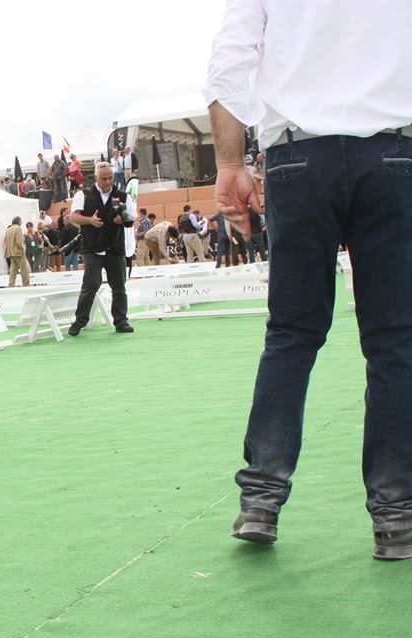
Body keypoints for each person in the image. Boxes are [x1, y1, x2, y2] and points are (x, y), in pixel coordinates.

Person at [206, 0, 412, 559]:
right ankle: (397, 516)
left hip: (298, 156)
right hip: (393, 152)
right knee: (395, 340)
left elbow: (228, 64)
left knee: (292, 334)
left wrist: (230, 164)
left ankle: (261, 500)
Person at [67, 162, 134, 335]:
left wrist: (122, 220)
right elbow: (73, 216)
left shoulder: (123, 196)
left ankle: (121, 321)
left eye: (110, 178)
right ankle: (79, 321)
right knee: (91, 284)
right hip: (91, 247)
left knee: (119, 287)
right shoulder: (84, 194)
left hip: (115, 248)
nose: (108, 181)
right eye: (104, 178)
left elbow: (130, 219)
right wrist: (90, 220)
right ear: (96, 178)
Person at [4, 217, 28, 287]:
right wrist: (22, 249)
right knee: (24, 269)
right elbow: (19, 242)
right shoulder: (18, 228)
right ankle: (26, 284)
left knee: (13, 270)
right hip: (18, 252)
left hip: (11, 252)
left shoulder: (8, 229)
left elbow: (6, 241)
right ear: (19, 222)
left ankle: (11, 284)